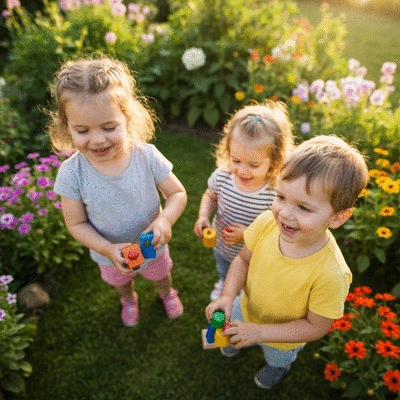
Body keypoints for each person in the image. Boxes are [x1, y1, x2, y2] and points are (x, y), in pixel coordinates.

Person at [205, 135, 369, 389]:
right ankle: (237, 339)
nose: (284, 213)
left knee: (276, 355)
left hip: (283, 338)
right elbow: (242, 260)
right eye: (281, 197)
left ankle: (279, 366)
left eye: (304, 208)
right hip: (245, 307)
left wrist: (259, 333)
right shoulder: (265, 223)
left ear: (338, 217)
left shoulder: (331, 273)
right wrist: (227, 296)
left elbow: (315, 327)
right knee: (234, 330)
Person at [50, 56, 187, 327]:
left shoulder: (145, 156)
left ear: (127, 117)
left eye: (109, 127)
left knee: (161, 273)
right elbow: (75, 223)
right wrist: (107, 248)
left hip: (152, 245)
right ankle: (128, 299)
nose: (98, 139)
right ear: (67, 127)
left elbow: (177, 193)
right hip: (109, 253)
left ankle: (167, 293)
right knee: (121, 281)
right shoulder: (71, 173)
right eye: (82, 130)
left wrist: (164, 220)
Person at [194, 101, 294, 300]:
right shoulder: (222, 177)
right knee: (223, 265)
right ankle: (224, 282)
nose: (242, 170)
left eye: (253, 165)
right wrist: (203, 216)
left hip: (254, 254)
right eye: (236, 160)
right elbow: (210, 195)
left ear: (274, 161)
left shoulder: (274, 193)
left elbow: (277, 228)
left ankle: (242, 290)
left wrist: (248, 234)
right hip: (223, 246)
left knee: (249, 274)